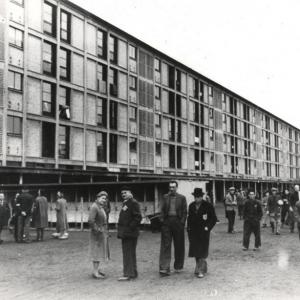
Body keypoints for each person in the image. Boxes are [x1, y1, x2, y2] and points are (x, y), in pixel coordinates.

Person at [187, 188, 217, 278]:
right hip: (193, 231)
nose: (197, 199)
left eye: (199, 197)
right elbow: (189, 218)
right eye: (195, 197)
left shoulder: (208, 205)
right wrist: (188, 228)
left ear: (202, 196)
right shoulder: (191, 206)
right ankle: (200, 266)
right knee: (195, 250)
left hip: (204, 231)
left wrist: (208, 227)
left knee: (202, 250)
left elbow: (213, 219)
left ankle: (201, 270)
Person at [159, 181, 187, 276]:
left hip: (178, 222)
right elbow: (162, 210)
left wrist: (182, 222)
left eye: (173, 187)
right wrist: (162, 220)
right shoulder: (165, 197)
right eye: (170, 187)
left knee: (179, 245)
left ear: (177, 187)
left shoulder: (182, 198)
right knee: (165, 245)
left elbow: (184, 212)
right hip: (167, 223)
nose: (172, 189)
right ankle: (164, 267)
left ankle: (178, 266)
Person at [117, 186, 142, 281]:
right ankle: (133, 272)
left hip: (129, 233)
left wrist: (129, 228)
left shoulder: (133, 203)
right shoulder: (127, 203)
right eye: (122, 193)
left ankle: (127, 274)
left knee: (128, 253)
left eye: (125, 192)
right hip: (128, 233)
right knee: (130, 253)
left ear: (130, 193)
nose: (123, 194)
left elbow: (138, 217)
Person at [88, 191, 110, 279]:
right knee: (96, 251)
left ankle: (97, 269)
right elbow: (90, 220)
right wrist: (97, 230)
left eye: (105, 198)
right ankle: (95, 272)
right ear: (97, 198)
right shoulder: (94, 207)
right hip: (97, 233)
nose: (104, 200)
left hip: (102, 232)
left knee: (100, 251)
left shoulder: (100, 207)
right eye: (102, 198)